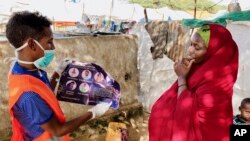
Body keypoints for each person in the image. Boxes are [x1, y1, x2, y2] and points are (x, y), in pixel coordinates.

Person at [6, 11, 112, 141]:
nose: (53, 47)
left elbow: (45, 93)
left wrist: (58, 72)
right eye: (49, 42)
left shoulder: (25, 69)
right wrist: (94, 112)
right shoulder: (28, 94)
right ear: (32, 44)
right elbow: (58, 130)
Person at [149, 23, 239, 141]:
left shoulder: (216, 82)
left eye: (197, 47)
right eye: (191, 44)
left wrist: (182, 78)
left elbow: (191, 117)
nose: (190, 50)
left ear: (213, 51)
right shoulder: (198, 69)